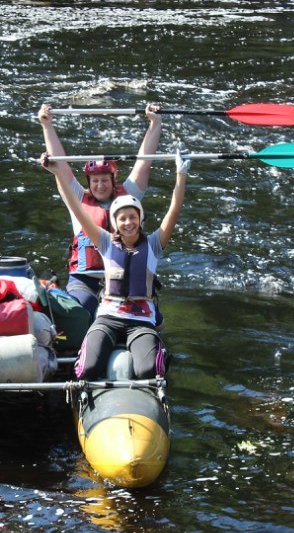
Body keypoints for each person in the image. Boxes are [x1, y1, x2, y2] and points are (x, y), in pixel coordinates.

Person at [42, 148, 189, 381]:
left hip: (140, 321)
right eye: (122, 218)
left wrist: (181, 175)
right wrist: (58, 174)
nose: (128, 222)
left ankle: (157, 355)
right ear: (115, 222)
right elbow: (76, 208)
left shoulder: (154, 244)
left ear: (140, 219)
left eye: (133, 217)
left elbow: (175, 209)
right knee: (88, 369)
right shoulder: (105, 242)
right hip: (109, 318)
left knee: (147, 371)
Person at [38, 103, 163, 316]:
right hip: (84, 280)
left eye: (105, 180)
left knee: (141, 315)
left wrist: (155, 123)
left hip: (124, 278)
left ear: (113, 179)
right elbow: (61, 165)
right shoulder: (78, 198)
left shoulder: (129, 195)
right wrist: (47, 126)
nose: (100, 185)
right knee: (79, 310)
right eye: (95, 181)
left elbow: (144, 163)